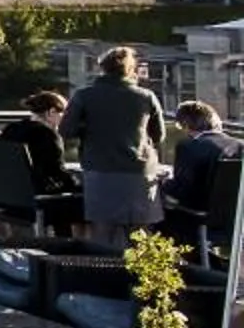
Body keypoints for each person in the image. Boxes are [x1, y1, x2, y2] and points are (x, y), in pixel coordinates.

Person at [59, 49, 167, 245]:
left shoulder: (85, 96)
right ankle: (144, 274)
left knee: (103, 232)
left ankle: (105, 272)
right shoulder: (146, 96)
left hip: (101, 171)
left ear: (102, 69)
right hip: (140, 173)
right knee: (141, 234)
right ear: (131, 69)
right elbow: (159, 135)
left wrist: (89, 128)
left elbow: (66, 130)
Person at [0, 90, 83, 233]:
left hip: (7, 201)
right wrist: (80, 186)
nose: (65, 120)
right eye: (63, 114)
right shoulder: (47, 135)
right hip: (34, 202)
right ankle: (70, 248)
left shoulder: (11, 129)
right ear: (51, 112)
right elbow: (57, 172)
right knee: (80, 202)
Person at [163, 100, 241, 247]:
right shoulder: (239, 145)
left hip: (200, 218)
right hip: (234, 218)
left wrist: (163, 184)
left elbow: (181, 190)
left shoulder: (189, 146)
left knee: (158, 211)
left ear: (185, 125)